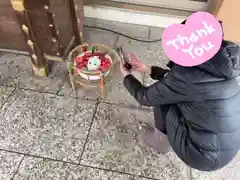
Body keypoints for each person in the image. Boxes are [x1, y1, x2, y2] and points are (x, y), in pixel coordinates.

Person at [120, 39, 240, 171]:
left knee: (164, 100)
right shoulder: (219, 66)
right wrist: (148, 69)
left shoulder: (187, 74)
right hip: (227, 148)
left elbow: (145, 97)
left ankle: (159, 142)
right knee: (174, 94)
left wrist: (127, 76)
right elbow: (179, 81)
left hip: (202, 155)